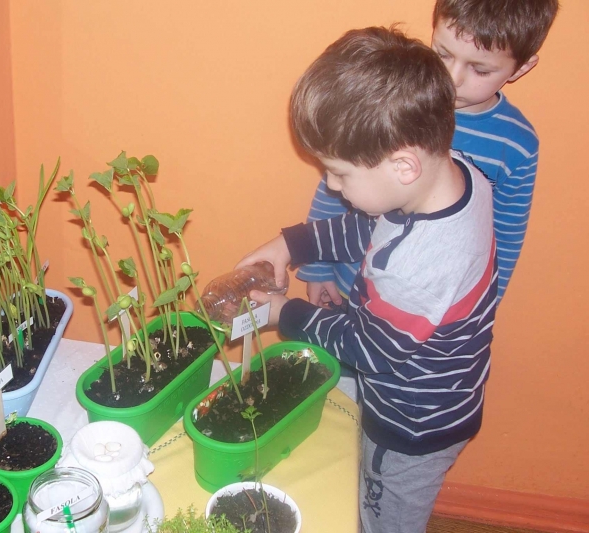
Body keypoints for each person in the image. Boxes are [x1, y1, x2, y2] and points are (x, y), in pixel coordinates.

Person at [237, 27, 497, 533]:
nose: (331, 185)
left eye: (339, 173)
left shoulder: (422, 265)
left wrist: (283, 314)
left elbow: (369, 348)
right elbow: (376, 224)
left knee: (385, 519)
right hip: (432, 387)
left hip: (410, 425)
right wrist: (294, 244)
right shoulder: (452, 174)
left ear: (403, 165)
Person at [298, 0, 559, 402]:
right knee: (340, 394)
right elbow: (338, 183)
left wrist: (477, 311)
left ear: (521, 68)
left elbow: (504, 239)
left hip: (421, 317)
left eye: (480, 69)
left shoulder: (516, 144)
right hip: (350, 286)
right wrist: (317, 266)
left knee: (388, 399)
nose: (452, 79)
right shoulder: (396, 101)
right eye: (443, 53)